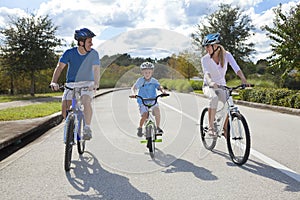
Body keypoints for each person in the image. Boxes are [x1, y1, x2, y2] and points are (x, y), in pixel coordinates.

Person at [50, 28, 100, 140]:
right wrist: (54, 81)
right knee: (65, 110)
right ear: (81, 42)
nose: (91, 44)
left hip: (87, 83)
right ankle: (70, 127)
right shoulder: (69, 53)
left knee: (86, 101)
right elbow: (59, 67)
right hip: (71, 84)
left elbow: (96, 69)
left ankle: (87, 127)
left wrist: (96, 84)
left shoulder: (94, 54)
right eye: (89, 41)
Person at [201, 33, 249, 137]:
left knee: (228, 105)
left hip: (222, 86)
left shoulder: (227, 55)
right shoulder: (205, 59)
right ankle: (210, 127)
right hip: (208, 85)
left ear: (216, 46)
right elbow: (206, 73)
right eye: (205, 47)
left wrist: (243, 79)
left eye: (208, 46)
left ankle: (225, 127)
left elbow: (236, 68)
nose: (206, 49)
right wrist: (210, 82)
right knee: (213, 98)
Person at [130, 62, 167, 137]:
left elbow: (160, 87)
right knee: (145, 115)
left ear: (152, 72)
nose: (147, 74)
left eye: (149, 72)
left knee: (157, 110)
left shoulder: (154, 81)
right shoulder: (140, 80)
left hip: (153, 100)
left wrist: (163, 91)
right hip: (143, 101)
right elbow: (134, 88)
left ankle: (158, 128)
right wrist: (134, 94)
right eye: (145, 72)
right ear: (142, 73)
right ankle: (140, 128)